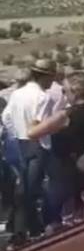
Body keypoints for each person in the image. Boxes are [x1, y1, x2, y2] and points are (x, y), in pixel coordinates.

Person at [28, 72, 84, 230]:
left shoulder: (66, 115)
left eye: (64, 90)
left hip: (66, 171)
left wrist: (36, 116)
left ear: (74, 91)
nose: (64, 94)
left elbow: (32, 133)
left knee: (55, 215)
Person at [1, 59, 58, 241]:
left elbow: (6, 116)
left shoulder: (18, 93)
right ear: (46, 76)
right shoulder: (43, 97)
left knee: (24, 185)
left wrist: (15, 133)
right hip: (37, 145)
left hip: (19, 142)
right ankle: (24, 231)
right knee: (30, 190)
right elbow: (38, 125)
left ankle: (27, 227)